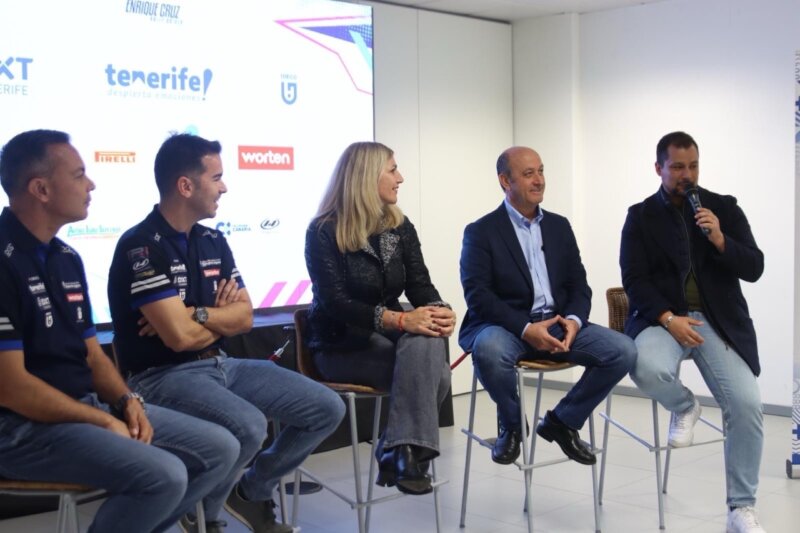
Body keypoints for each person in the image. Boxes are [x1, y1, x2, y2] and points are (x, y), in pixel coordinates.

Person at [0, 129, 239, 533]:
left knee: (221, 448)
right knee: (164, 476)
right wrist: (98, 420)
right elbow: (12, 388)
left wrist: (127, 399)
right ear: (40, 188)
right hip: (19, 427)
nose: (90, 184)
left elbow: (92, 354)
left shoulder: (65, 257)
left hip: (84, 406)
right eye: (78, 175)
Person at [108, 133, 345, 533]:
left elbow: (245, 318)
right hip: (161, 376)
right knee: (250, 425)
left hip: (221, 364)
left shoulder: (213, 240)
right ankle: (206, 516)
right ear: (185, 185)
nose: (225, 186)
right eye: (216, 177)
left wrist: (194, 314)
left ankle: (250, 492)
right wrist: (214, 316)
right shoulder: (142, 247)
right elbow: (180, 341)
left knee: (327, 408)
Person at [620, 131, 766, 533]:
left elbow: (754, 267)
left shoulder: (723, 209)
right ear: (659, 168)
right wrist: (669, 318)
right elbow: (633, 279)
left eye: (694, 166)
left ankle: (741, 507)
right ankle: (685, 406)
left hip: (715, 322)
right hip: (663, 319)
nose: (688, 175)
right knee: (645, 366)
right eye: (678, 167)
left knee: (747, 403)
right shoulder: (640, 216)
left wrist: (720, 239)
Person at [459, 146, 636, 467]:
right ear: (504, 180)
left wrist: (573, 320)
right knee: (488, 349)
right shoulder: (481, 232)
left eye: (541, 171)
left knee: (623, 350)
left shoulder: (559, 226)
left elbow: (578, 285)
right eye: (529, 174)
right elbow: (479, 296)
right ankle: (512, 425)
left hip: (557, 323)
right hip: (508, 328)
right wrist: (527, 329)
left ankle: (563, 421)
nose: (539, 180)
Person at [304, 142, 455, 496]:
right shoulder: (323, 231)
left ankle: (398, 451)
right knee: (438, 374)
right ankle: (397, 452)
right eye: (392, 169)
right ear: (367, 176)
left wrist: (440, 310)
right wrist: (401, 321)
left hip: (388, 339)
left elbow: (421, 288)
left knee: (427, 338)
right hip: (340, 344)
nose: (400, 177)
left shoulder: (401, 228)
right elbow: (334, 302)